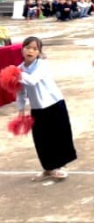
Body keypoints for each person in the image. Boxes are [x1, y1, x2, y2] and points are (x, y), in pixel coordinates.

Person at [13, 37, 77, 180]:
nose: (31, 51)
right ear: (22, 49)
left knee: (59, 136)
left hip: (54, 104)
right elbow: (21, 91)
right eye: (28, 47)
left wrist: (15, 74)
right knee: (41, 139)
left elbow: (32, 80)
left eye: (35, 49)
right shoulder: (19, 69)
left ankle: (62, 166)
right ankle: (48, 168)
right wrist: (21, 109)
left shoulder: (42, 64)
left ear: (39, 52)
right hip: (37, 109)